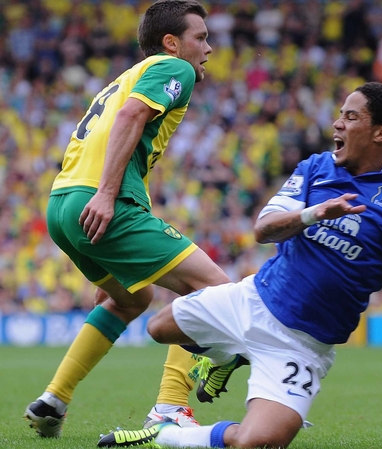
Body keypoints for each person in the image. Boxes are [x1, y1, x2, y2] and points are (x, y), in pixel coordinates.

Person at [96, 82, 382, 448]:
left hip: (303, 344)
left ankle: (167, 435)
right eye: (340, 114)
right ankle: (228, 355)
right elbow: (263, 229)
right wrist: (314, 214)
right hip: (254, 298)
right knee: (159, 328)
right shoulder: (316, 168)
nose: (338, 124)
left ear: (381, 132)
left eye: (351, 117)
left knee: (258, 442)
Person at [25, 0, 231, 438]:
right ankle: (171, 407)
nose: (208, 48)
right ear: (172, 43)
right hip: (103, 200)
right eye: (201, 38)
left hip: (62, 203)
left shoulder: (124, 78)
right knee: (213, 289)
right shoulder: (175, 68)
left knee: (130, 300)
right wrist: (106, 193)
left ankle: (54, 399)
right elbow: (132, 116)